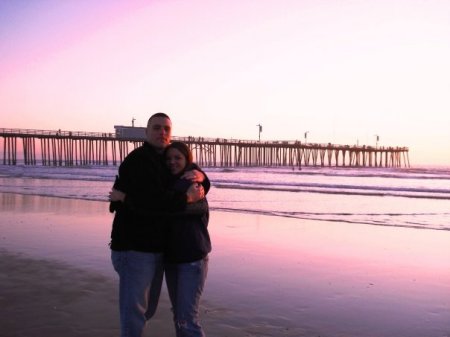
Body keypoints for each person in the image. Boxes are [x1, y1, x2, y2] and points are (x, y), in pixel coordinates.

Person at [109, 113, 208, 337]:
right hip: (133, 248)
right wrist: (187, 199)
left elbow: (189, 173)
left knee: (147, 309)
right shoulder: (139, 160)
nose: (161, 132)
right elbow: (152, 202)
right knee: (135, 311)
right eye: (156, 128)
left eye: (166, 129)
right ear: (146, 132)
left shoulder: (165, 159)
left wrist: (202, 177)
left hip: (155, 249)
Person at [163, 141, 211, 337]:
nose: (172, 162)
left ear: (187, 160)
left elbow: (200, 208)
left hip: (192, 257)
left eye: (178, 158)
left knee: (187, 319)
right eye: (168, 158)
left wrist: (168, 207)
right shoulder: (166, 181)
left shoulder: (193, 182)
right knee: (179, 316)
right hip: (172, 258)